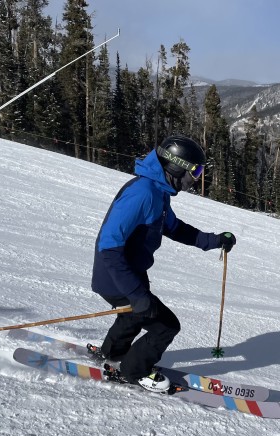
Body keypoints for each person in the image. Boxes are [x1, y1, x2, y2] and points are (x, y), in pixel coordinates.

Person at [89, 135, 237, 392]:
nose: (197, 178)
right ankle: (133, 371)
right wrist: (135, 293)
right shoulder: (142, 193)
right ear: (176, 166)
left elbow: (175, 228)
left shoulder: (158, 192)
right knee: (166, 326)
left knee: (133, 314)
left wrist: (213, 240)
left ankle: (111, 353)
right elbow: (108, 246)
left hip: (131, 273)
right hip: (117, 276)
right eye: (196, 171)